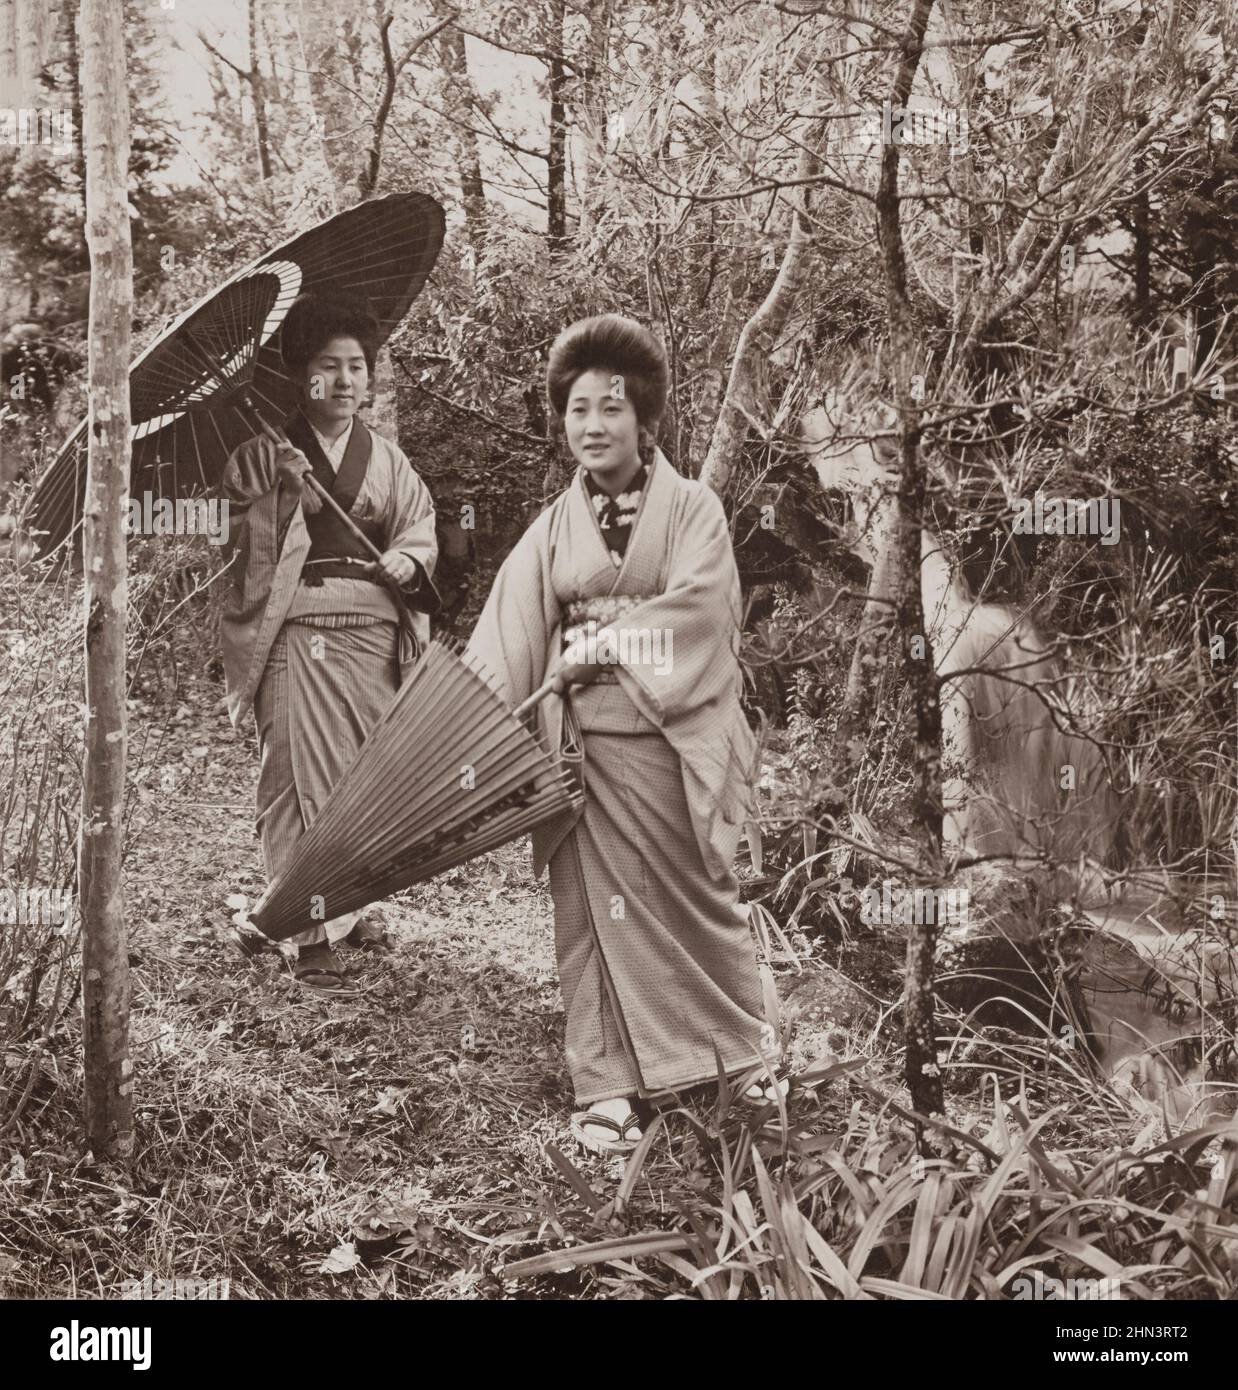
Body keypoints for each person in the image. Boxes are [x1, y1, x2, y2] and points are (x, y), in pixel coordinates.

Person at [467, 314, 781, 1154]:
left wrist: (603, 644)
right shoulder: (549, 531)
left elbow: (704, 612)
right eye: (576, 409)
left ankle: (737, 1058)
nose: (593, 426)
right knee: (588, 914)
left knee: (699, 895)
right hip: (581, 749)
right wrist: (468, 726)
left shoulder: (693, 510)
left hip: (670, 739)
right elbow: (507, 638)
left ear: (646, 420)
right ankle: (605, 1085)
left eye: (611, 408)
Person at [220, 294, 439, 992]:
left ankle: (346, 905)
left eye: (356, 366)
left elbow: (419, 529)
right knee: (294, 778)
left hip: (372, 629)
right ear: (300, 375)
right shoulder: (263, 453)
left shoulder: (389, 459)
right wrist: (279, 501)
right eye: (327, 367)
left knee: (356, 781)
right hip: (297, 626)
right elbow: (236, 550)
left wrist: (408, 559)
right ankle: (304, 932)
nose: (345, 380)